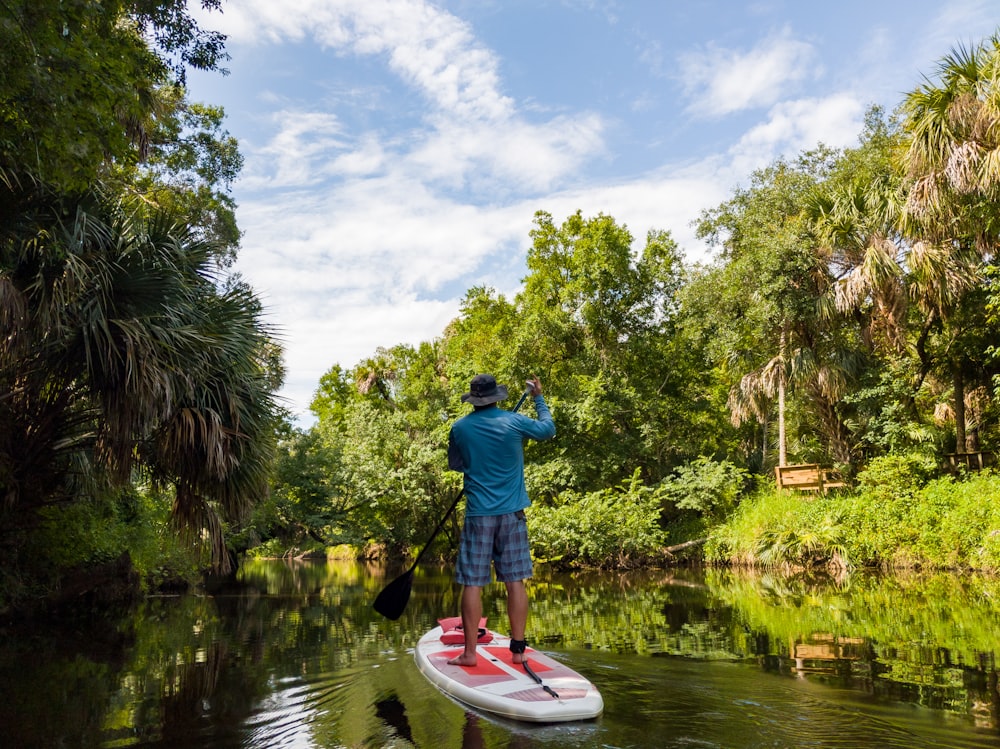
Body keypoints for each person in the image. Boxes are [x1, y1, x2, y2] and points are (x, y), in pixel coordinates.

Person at [446, 373, 555, 666]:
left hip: (479, 515)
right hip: (512, 515)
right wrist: (538, 398)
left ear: (474, 399)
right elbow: (548, 429)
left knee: (472, 583)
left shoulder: (459, 428)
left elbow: (457, 465)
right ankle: (518, 651)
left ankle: (470, 654)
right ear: (497, 396)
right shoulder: (514, 422)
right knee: (514, 581)